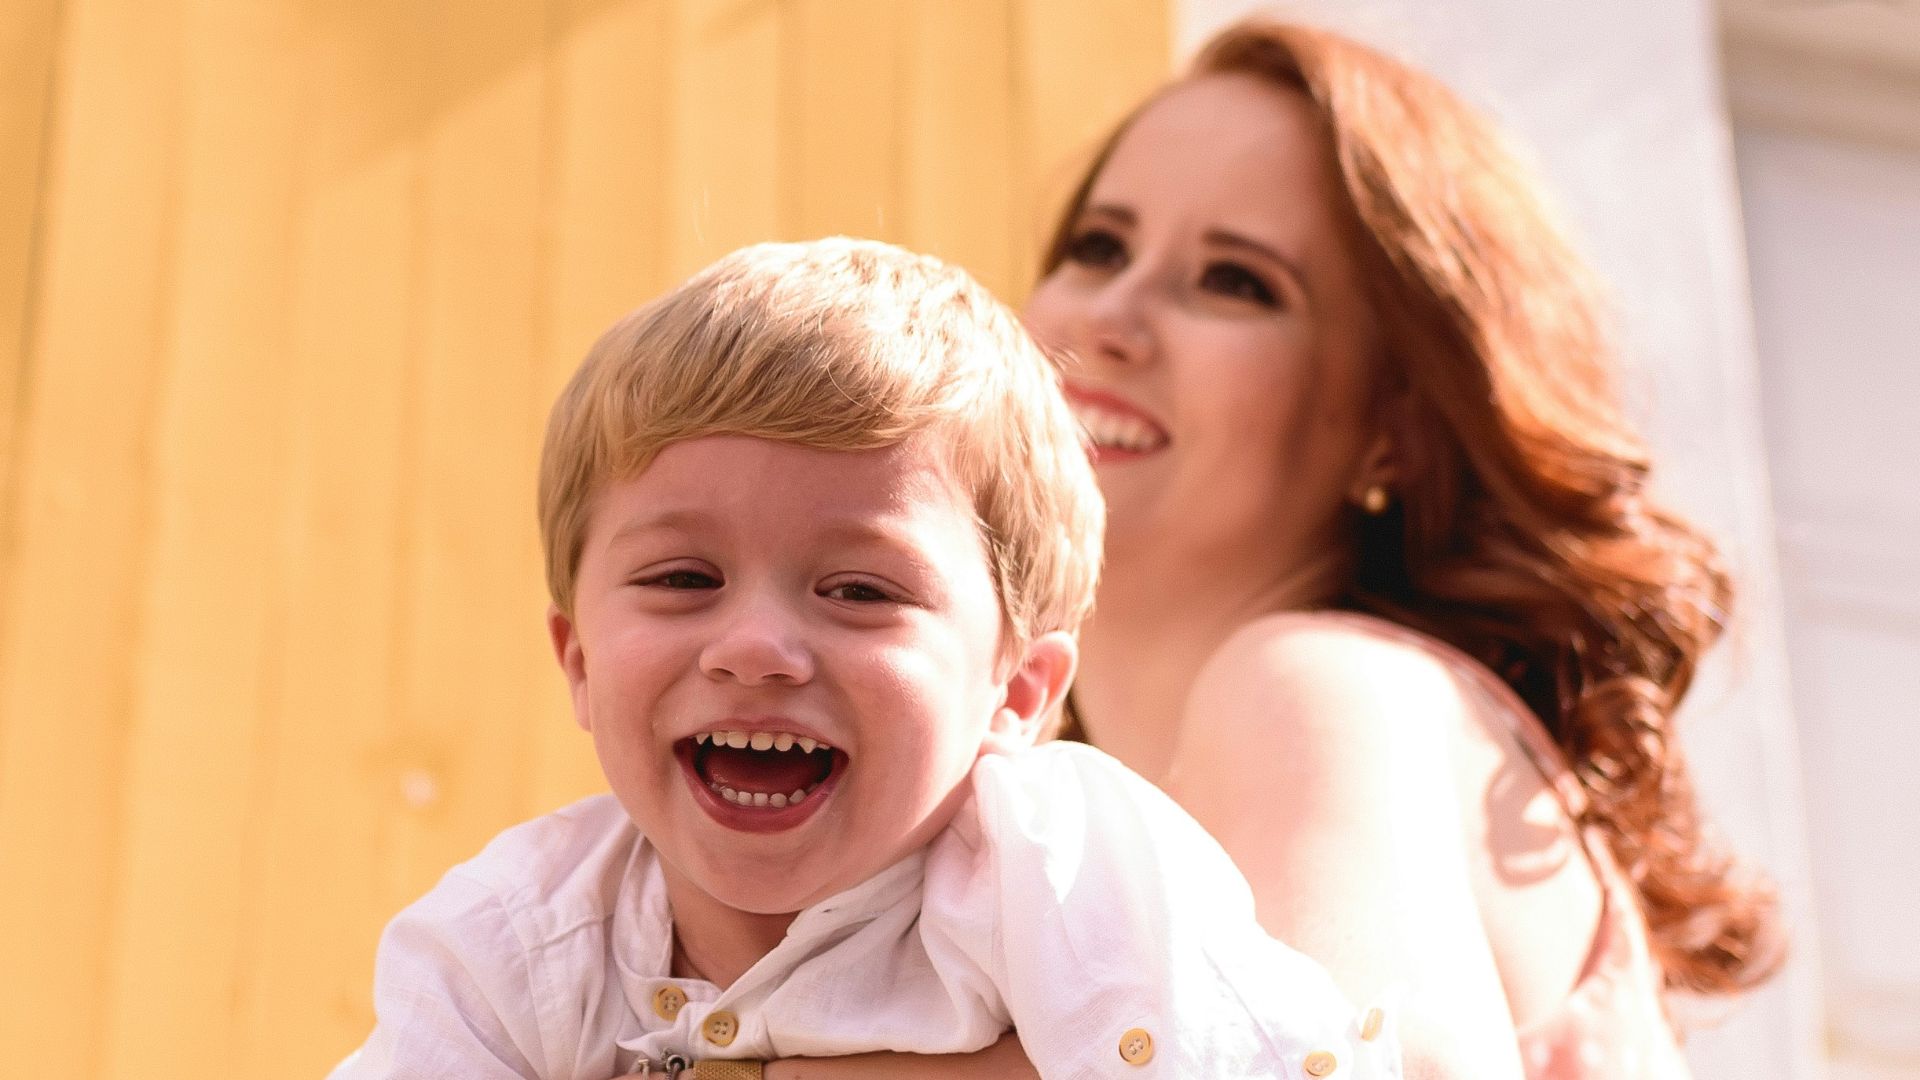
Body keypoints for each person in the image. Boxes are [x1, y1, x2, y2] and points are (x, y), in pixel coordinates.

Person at [328, 237, 1403, 1079]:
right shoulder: (520, 938)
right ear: (577, 661)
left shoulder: (1058, 875)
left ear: (1017, 691)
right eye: (682, 580)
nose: (753, 648)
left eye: (860, 591)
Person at [1016, 16, 1787, 1080]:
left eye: (1235, 281)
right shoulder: (1093, 799)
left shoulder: (1315, 688)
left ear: (1399, 426)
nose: (1109, 315)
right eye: (1098, 246)